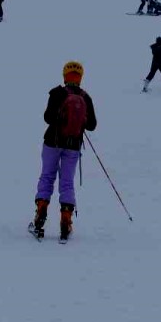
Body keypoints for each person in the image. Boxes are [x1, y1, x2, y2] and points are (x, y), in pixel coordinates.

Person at [30, 62, 96, 242]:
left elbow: (47, 118)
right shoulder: (85, 97)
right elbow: (92, 125)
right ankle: (66, 220)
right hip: (73, 146)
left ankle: (41, 210)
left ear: (65, 75)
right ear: (80, 76)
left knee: (47, 176)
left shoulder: (57, 92)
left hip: (52, 142)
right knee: (67, 182)